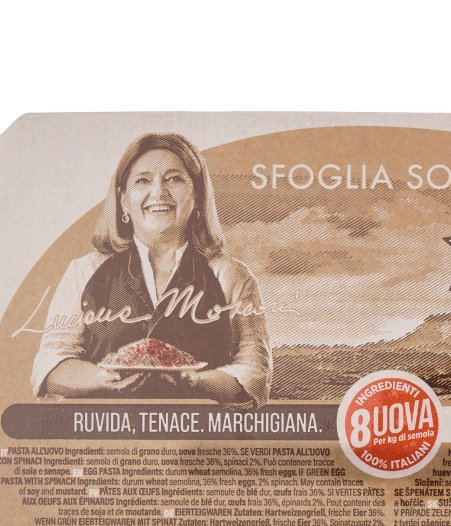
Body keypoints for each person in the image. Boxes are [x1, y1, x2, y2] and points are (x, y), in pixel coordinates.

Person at [31, 133, 271, 404]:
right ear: (123, 200)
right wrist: (103, 377)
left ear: (197, 195)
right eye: (143, 180)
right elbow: (51, 365)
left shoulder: (230, 275)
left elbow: (254, 372)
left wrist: (195, 380)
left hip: (198, 429)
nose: (158, 192)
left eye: (174, 179)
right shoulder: (85, 271)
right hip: (106, 429)